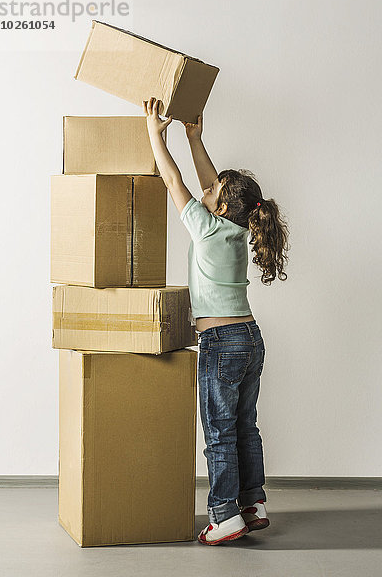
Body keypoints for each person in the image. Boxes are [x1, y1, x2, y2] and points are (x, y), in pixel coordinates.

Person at [142, 97, 290, 546]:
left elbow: (174, 180)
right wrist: (193, 136)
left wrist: (154, 133)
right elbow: (212, 184)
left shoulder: (206, 226)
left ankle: (225, 516)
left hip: (223, 344)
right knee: (246, 425)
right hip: (250, 338)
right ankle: (252, 502)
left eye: (213, 192)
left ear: (221, 206)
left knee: (220, 431)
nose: (205, 191)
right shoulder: (238, 225)